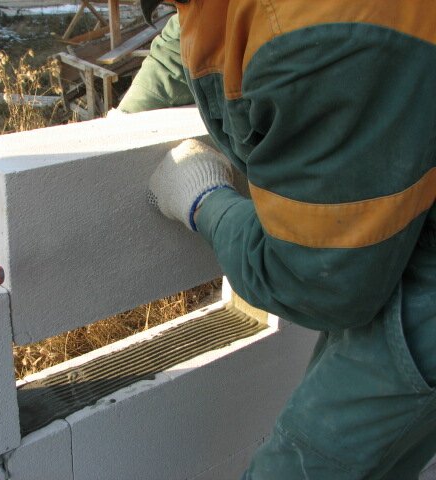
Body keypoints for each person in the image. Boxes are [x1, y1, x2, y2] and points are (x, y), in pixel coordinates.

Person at [118, 2, 436, 478]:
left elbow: (320, 280)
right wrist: (122, 122)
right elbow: (192, 32)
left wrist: (205, 202)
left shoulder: (314, 29)